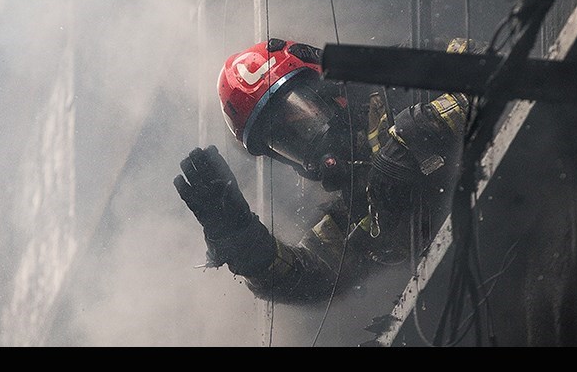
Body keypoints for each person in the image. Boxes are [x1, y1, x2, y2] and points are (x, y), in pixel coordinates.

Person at [174, 37, 478, 304]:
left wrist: (417, 135)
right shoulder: (354, 209)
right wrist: (244, 241)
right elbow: (308, 276)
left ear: (326, 87)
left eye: (303, 115)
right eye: (284, 141)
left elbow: (491, 68)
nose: (306, 140)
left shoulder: (399, 75)